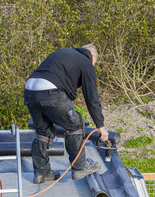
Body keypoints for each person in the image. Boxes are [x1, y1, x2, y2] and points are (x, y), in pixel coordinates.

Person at [24, 44, 109, 184]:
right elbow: (92, 98)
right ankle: (80, 167)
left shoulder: (63, 53)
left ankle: (42, 173)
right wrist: (101, 126)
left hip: (30, 91)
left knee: (42, 132)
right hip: (51, 92)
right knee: (75, 124)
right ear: (93, 56)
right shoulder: (86, 63)